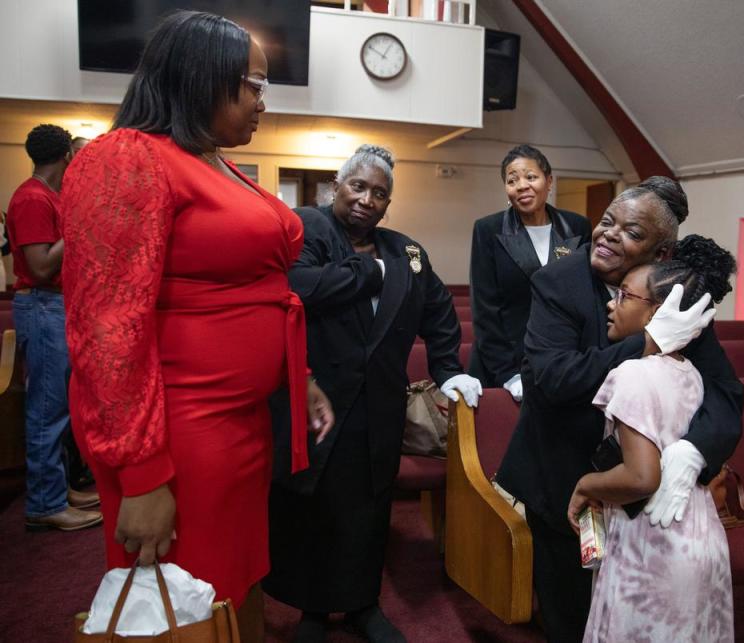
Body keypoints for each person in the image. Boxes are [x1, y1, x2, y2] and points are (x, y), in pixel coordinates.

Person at [59, 11, 332, 640]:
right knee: (185, 592)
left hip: (236, 421)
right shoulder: (127, 158)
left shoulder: (211, 158)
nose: (265, 102)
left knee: (231, 585)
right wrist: (142, 475)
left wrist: (301, 374)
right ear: (199, 77)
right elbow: (107, 329)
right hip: (178, 426)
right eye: (253, 85)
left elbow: (253, 289)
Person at [496, 177, 744, 642]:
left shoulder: (674, 295)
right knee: (572, 618)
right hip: (564, 481)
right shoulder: (557, 283)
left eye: (631, 232)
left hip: (639, 494)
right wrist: (648, 343)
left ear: (662, 253)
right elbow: (553, 379)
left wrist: (694, 451)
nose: (609, 234)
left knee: (627, 621)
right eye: (607, 221)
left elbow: (726, 392)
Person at [264, 144, 482, 643]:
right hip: (315, 396)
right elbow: (297, 286)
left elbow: (440, 317)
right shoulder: (308, 227)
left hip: (379, 404)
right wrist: (370, 275)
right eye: (357, 187)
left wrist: (449, 371)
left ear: (388, 204)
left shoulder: (405, 251)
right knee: (310, 505)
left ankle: (363, 604)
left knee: (368, 509)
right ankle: (312, 610)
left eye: (379, 193)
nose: (366, 199)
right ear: (335, 188)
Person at [569, 235, 737, 643]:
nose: (611, 303)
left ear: (659, 313)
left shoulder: (633, 373)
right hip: (703, 542)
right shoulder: (691, 373)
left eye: (624, 296)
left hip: (653, 546)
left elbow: (642, 478)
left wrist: (584, 485)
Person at [7, 123, 102, 531]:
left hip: (56, 306)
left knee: (58, 407)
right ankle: (45, 504)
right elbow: (43, 264)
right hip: (43, 306)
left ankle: (59, 489)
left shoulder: (47, 197)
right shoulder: (31, 198)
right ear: (66, 156)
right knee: (47, 410)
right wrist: (79, 222)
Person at [468, 144, 591, 400]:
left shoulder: (577, 226)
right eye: (512, 180)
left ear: (549, 181)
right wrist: (508, 373)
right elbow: (485, 310)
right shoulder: (488, 230)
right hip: (505, 364)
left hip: (563, 359)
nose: (522, 185)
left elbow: (586, 298)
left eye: (531, 177)